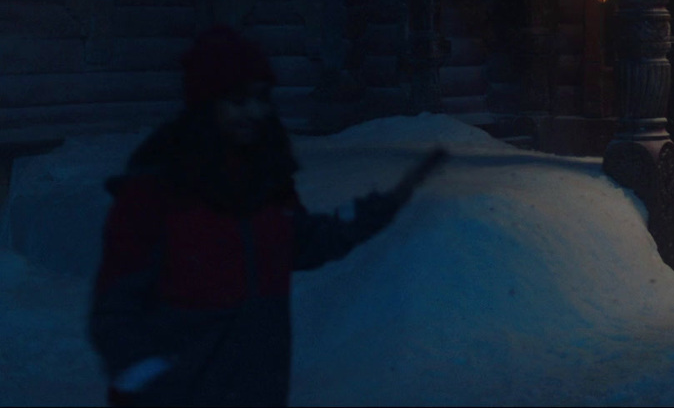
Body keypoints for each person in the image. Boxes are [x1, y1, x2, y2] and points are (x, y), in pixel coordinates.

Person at [88, 25, 448, 407]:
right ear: (205, 102)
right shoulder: (157, 189)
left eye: (261, 98)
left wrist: (376, 209)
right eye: (237, 100)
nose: (253, 112)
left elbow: (300, 241)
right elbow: (116, 310)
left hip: (256, 388)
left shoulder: (264, 180)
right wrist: (150, 376)